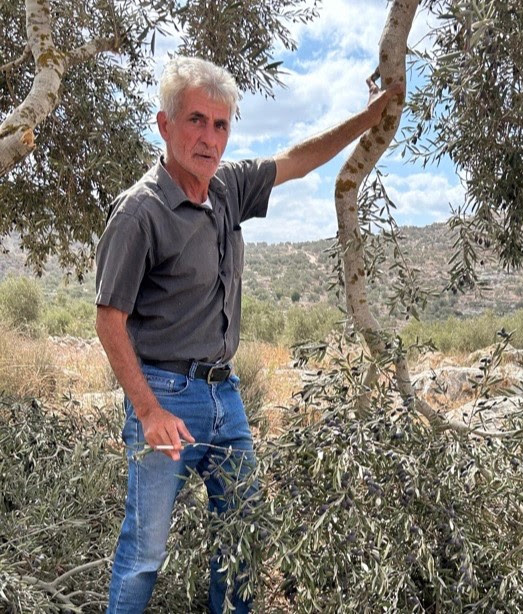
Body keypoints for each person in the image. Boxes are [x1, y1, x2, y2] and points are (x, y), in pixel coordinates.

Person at [94, 55, 401, 614]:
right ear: (165, 125)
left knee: (241, 537)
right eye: (196, 120)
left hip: (225, 397)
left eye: (220, 124)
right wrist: (148, 411)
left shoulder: (228, 186)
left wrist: (366, 119)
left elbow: (298, 160)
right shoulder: (140, 212)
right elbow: (108, 319)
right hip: (164, 394)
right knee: (144, 553)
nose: (209, 137)